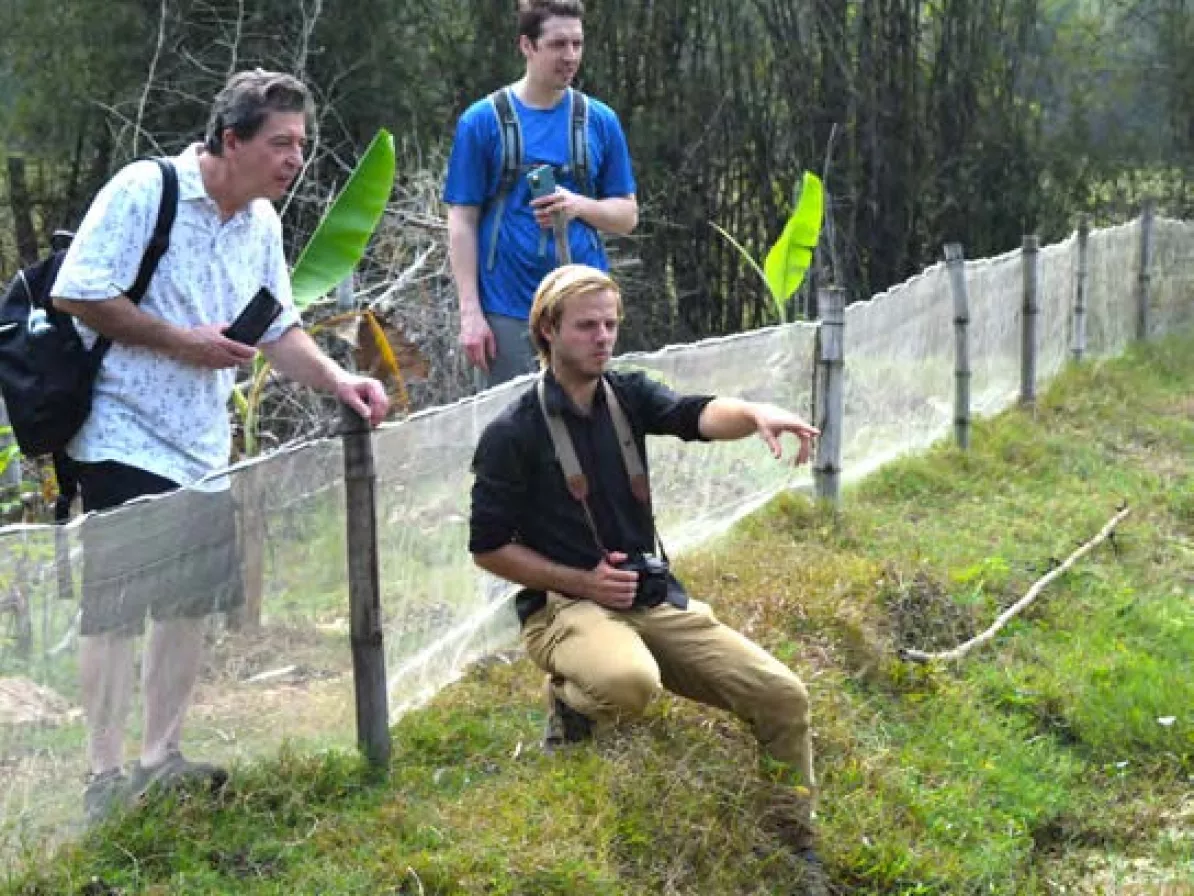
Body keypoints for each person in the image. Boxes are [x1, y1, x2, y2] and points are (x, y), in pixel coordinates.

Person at [51, 69, 390, 824]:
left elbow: (278, 328)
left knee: (185, 606)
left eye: (301, 145)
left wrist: (340, 382)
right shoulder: (147, 190)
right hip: (117, 428)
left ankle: (159, 759)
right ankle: (103, 777)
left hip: (202, 443)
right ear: (230, 140)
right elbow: (78, 290)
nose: (294, 159)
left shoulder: (261, 222)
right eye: (280, 143)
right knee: (115, 611)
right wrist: (182, 342)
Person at [468, 264, 826, 872]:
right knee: (629, 685)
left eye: (610, 323)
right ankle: (572, 705)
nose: (603, 336)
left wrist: (756, 413)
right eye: (586, 326)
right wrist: (583, 582)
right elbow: (487, 547)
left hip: (649, 596)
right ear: (548, 329)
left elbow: (696, 414)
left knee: (783, 696)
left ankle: (795, 842)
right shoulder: (512, 432)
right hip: (565, 606)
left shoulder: (627, 396)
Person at [443, 0, 637, 389]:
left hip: (585, 312)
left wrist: (578, 205)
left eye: (577, 45)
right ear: (527, 47)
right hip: (507, 308)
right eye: (558, 45)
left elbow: (627, 216)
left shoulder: (599, 121)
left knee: (586, 424)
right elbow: (462, 219)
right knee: (514, 431)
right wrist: (471, 314)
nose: (570, 57)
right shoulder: (482, 121)